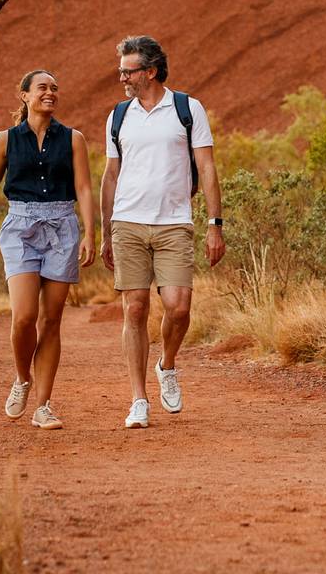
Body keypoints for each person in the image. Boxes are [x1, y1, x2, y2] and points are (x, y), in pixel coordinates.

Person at [0, 70, 95, 430]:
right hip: (19, 227)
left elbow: (83, 187)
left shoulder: (74, 139)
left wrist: (90, 233)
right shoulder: (4, 140)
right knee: (23, 317)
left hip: (62, 226)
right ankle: (22, 378)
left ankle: (44, 406)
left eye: (54, 88)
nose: (50, 93)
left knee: (51, 321)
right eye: (42, 88)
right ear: (23, 95)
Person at [101, 35, 225, 429]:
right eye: (121, 70)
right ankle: (138, 399)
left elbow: (205, 167)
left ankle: (167, 365)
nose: (122, 77)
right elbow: (110, 174)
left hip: (174, 222)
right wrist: (105, 231)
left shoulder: (187, 109)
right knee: (134, 308)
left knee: (179, 307)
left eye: (128, 71)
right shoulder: (118, 115)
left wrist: (214, 225)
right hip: (128, 223)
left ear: (150, 71)